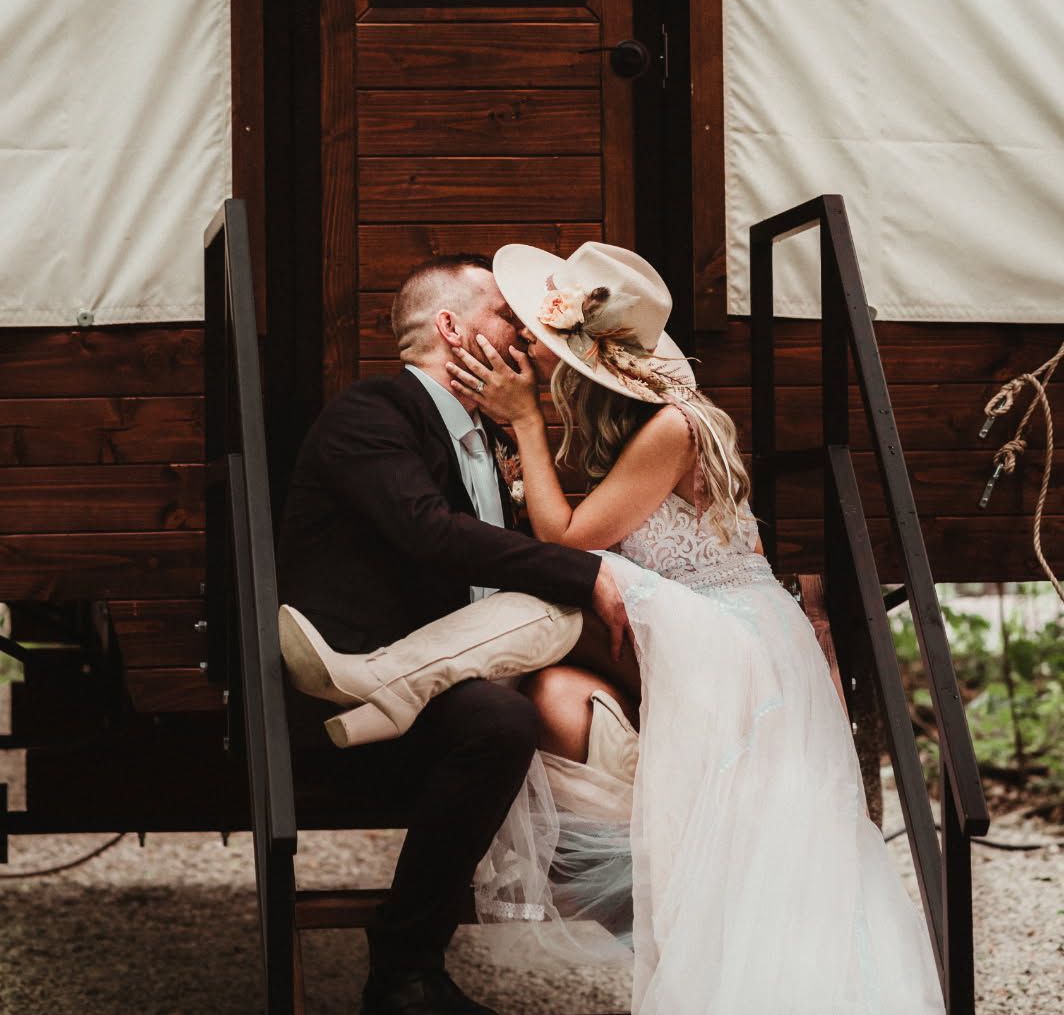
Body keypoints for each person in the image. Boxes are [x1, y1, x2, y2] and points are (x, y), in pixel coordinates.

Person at [442, 240, 947, 1015]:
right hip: (723, 628)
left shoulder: (673, 427)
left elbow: (572, 540)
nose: (536, 361)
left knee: (751, 833)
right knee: (732, 836)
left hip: (732, 638)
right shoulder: (651, 425)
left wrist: (527, 426)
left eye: (547, 351)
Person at [276, 253, 633, 1015]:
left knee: (577, 685)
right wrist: (586, 576)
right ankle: (405, 969)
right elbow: (428, 533)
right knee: (503, 717)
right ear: (451, 326)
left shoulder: (484, 434)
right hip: (351, 708)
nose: (525, 328)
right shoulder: (370, 413)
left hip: (469, 675)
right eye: (506, 313)